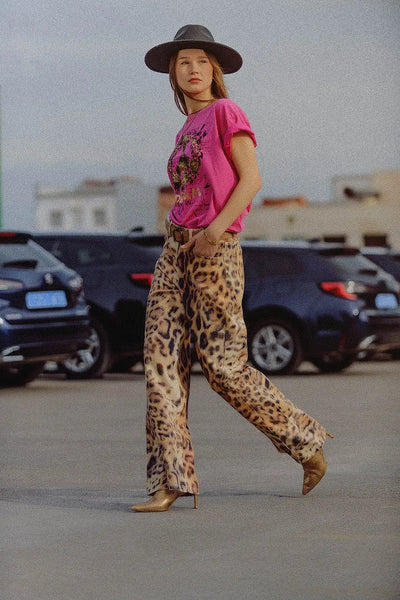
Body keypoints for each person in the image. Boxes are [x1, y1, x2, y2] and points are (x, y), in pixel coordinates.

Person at [131, 25, 332, 513]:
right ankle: (170, 481)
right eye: (184, 62)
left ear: (214, 70)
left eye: (202, 60)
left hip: (215, 250)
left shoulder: (226, 112)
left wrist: (215, 231)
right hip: (174, 250)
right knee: (160, 364)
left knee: (223, 367)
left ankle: (305, 441)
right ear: (173, 74)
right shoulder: (186, 128)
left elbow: (251, 179)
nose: (193, 69)